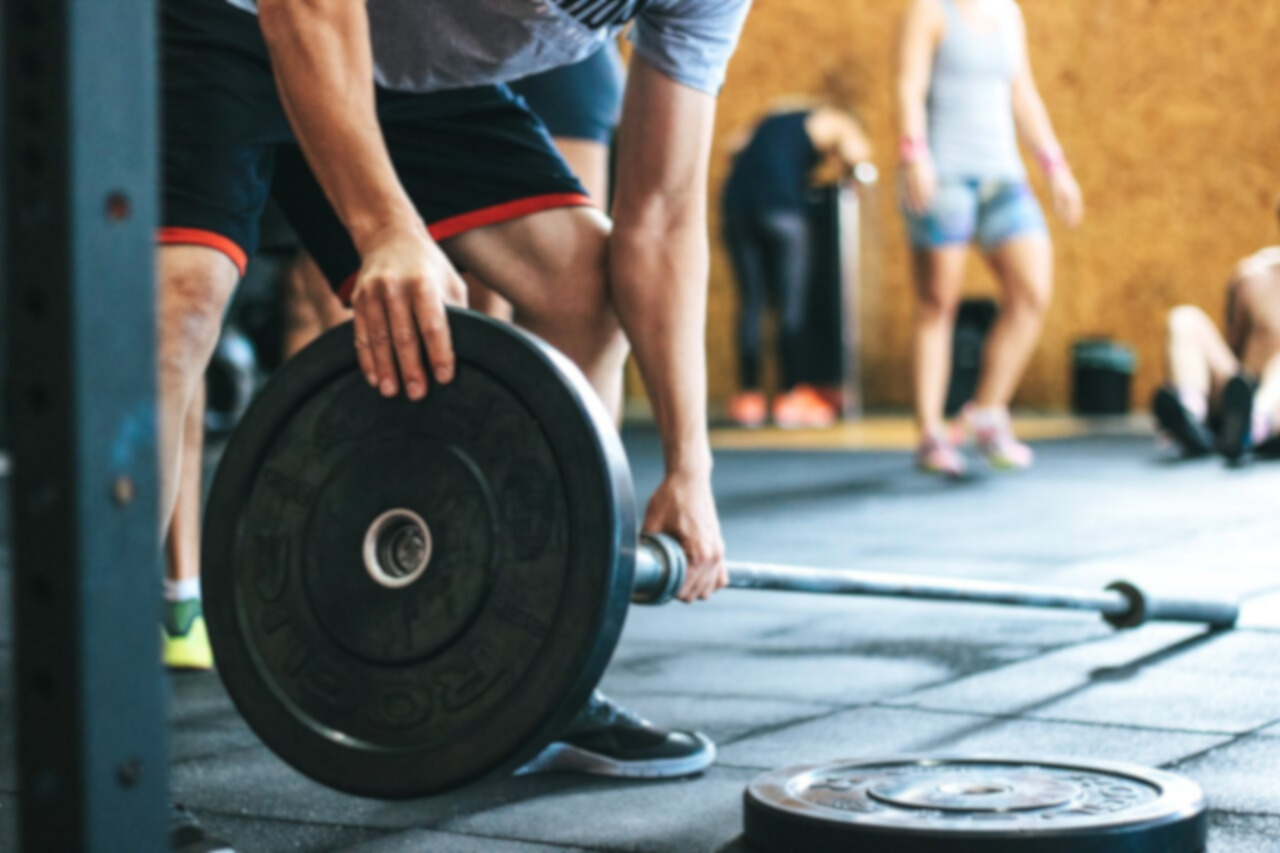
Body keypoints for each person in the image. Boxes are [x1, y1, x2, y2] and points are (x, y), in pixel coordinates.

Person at [157, 1, 750, 844]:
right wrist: (386, 227)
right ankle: (107, 744)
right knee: (177, 304)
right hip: (231, 17)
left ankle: (527, 675)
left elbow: (663, 214)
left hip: (399, 74)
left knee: (583, 291)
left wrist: (691, 463)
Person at [898, 0, 1083, 477]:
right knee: (938, 302)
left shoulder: (1008, 13)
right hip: (944, 176)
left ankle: (986, 413)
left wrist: (1055, 168)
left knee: (1031, 291)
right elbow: (909, 85)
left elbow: (1023, 94)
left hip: (1003, 176)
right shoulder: (931, 9)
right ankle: (930, 435)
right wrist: (914, 153)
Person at [722, 103, 872, 429]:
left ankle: (749, 398)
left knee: (753, 303)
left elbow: (732, 147)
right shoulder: (833, 120)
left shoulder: (770, 119)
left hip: (737, 207)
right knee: (792, 303)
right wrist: (855, 172)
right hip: (782, 209)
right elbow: (855, 153)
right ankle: (792, 396)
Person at [1153, 209, 1280, 462]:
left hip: (1272, 408)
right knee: (1184, 319)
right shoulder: (1252, 275)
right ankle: (1190, 418)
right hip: (1241, 391)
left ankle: (1252, 428)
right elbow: (1233, 343)